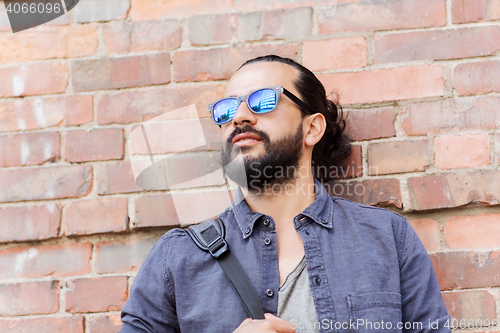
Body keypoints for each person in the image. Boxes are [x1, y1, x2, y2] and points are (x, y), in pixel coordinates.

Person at [119, 55, 451, 333]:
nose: (239, 117)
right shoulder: (177, 258)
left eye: (263, 100)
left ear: (312, 128)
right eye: (225, 110)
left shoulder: (387, 239)